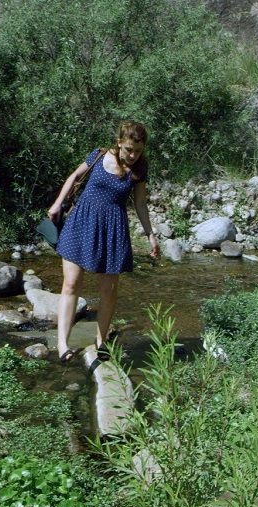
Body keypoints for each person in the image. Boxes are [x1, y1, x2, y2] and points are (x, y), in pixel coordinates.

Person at [47, 121, 159, 362]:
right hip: (81, 222)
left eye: (138, 151)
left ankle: (101, 341)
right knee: (70, 285)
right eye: (129, 149)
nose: (133, 155)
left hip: (113, 231)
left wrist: (151, 235)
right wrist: (57, 204)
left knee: (108, 291)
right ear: (119, 142)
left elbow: (140, 204)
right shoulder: (98, 155)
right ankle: (62, 345)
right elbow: (75, 176)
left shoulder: (139, 169)